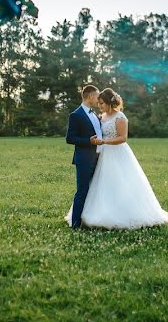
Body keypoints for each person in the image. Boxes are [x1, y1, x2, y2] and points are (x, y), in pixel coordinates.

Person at [65, 88, 168, 229]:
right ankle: (79, 220)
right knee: (94, 186)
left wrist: (104, 142)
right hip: (99, 156)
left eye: (102, 103)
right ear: (91, 97)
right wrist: (93, 142)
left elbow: (123, 137)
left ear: (109, 103)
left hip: (115, 153)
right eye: (98, 101)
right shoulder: (96, 116)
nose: (100, 105)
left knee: (119, 183)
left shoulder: (119, 116)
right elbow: (74, 137)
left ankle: (121, 213)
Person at [64, 85, 103, 229]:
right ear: (90, 96)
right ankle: (75, 224)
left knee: (95, 189)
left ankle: (91, 219)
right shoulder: (76, 115)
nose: (99, 100)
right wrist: (89, 141)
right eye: (97, 96)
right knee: (82, 190)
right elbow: (70, 138)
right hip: (85, 159)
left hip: (99, 158)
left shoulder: (94, 114)